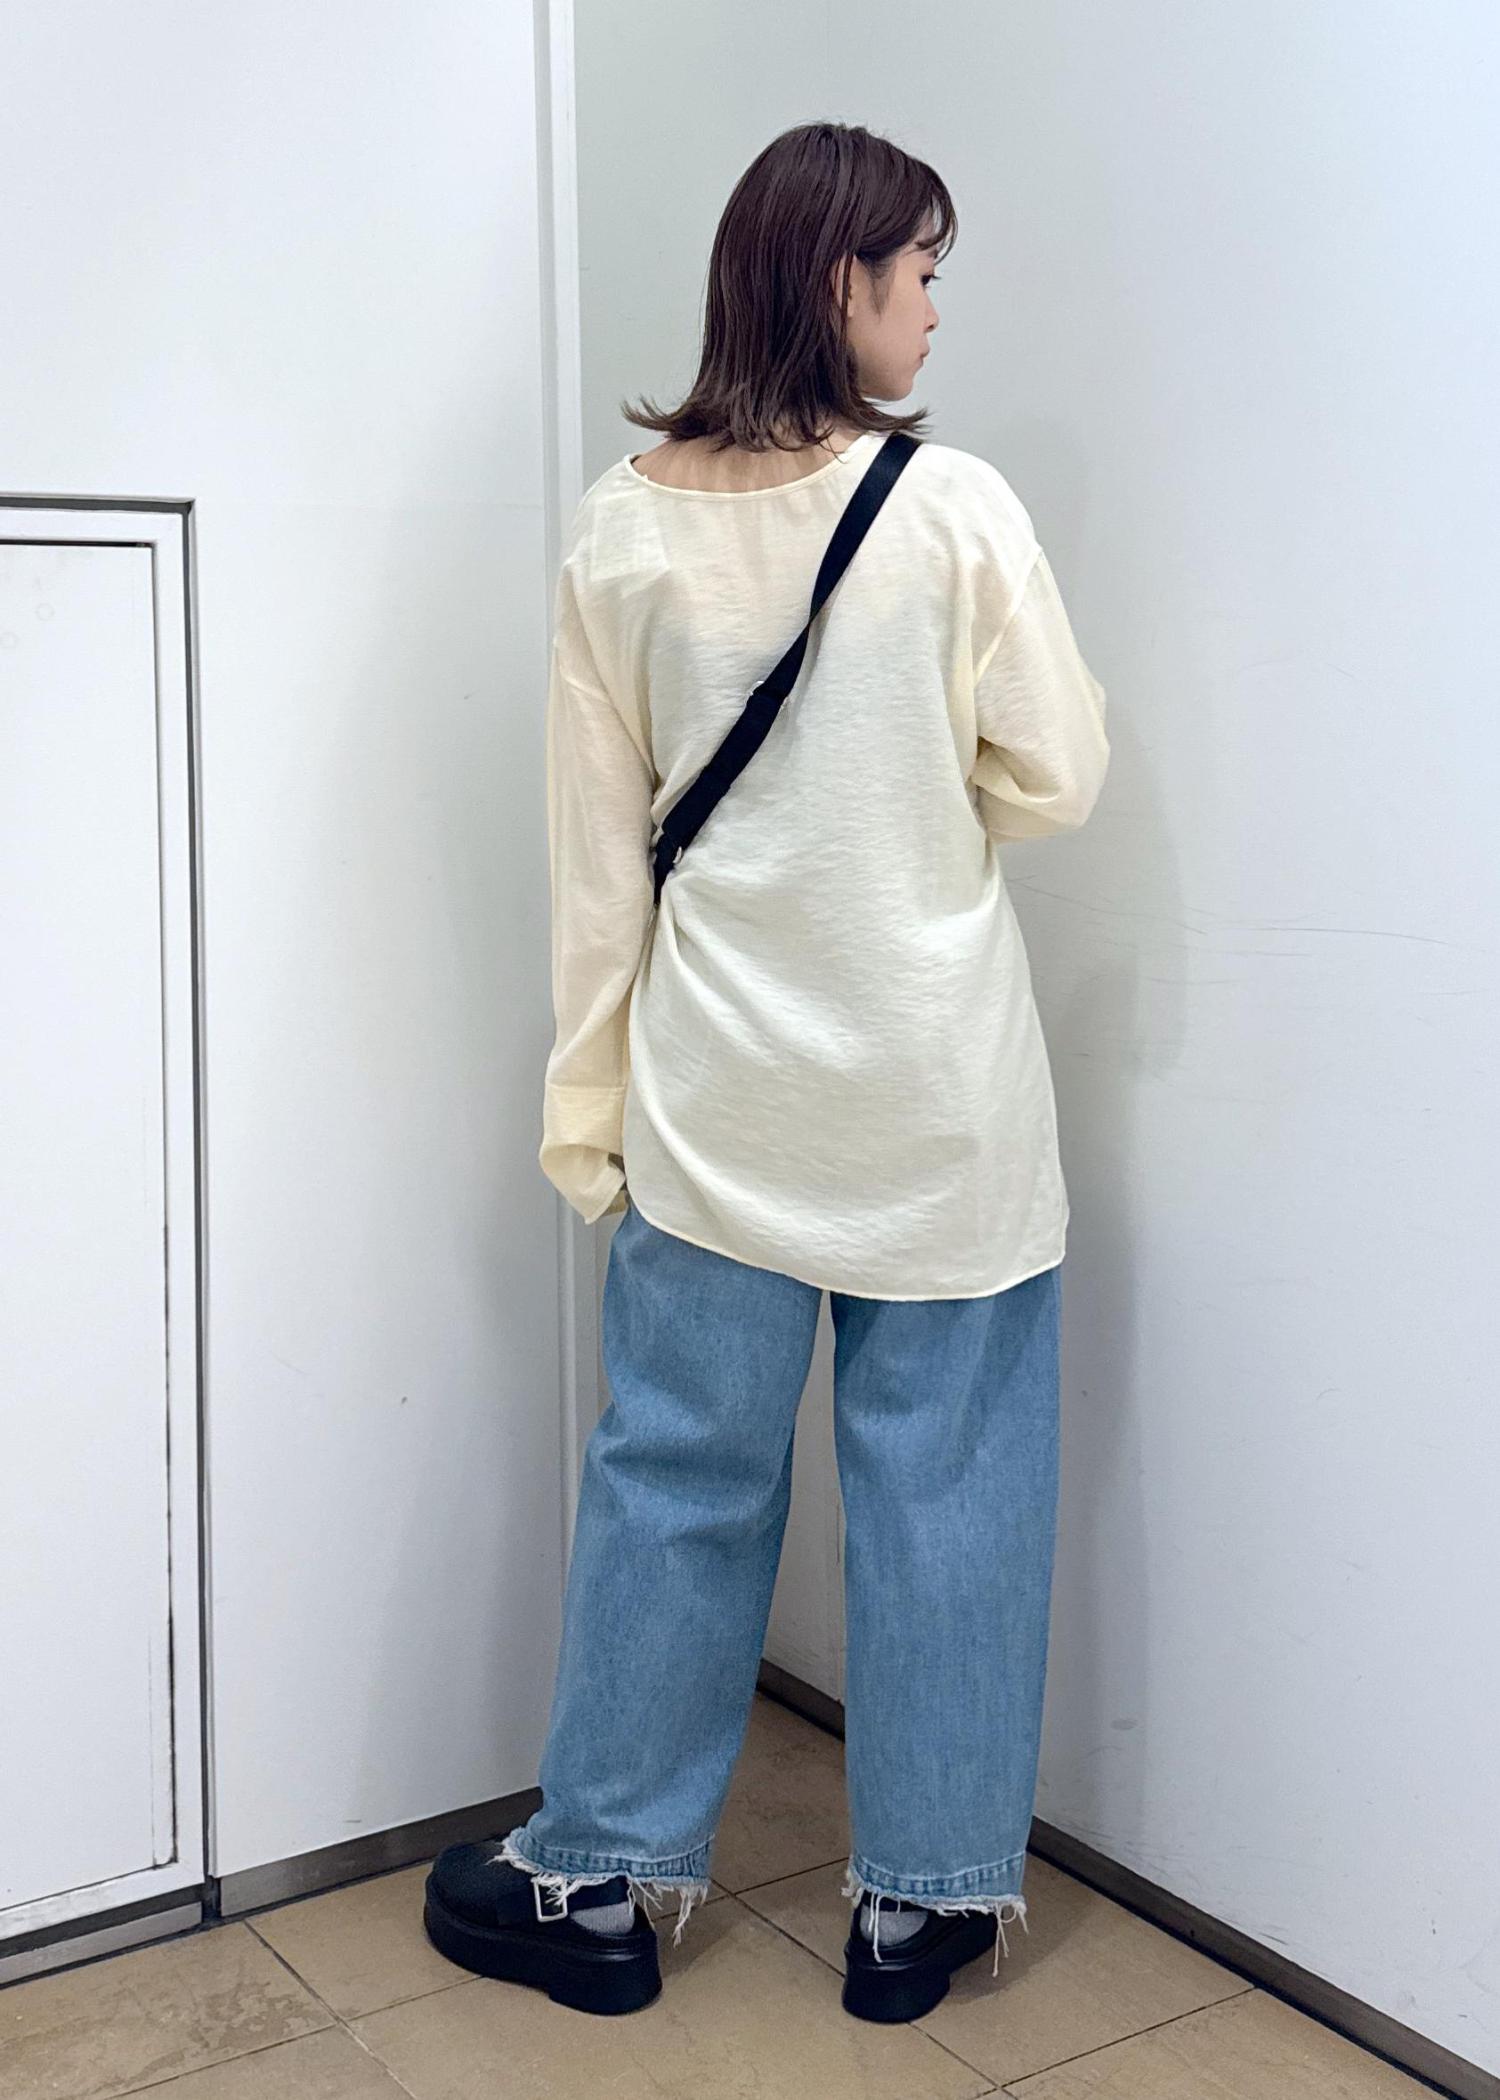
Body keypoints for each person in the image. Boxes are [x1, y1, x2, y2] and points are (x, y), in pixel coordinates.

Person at [423, 119, 1109, 2022]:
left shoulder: (620, 530)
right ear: (838, 282)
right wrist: (917, 805)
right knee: (948, 1493)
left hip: (720, 1107)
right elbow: (1058, 774)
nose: (935, 312)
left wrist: (585, 1123)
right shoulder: (952, 510)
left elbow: (596, 874)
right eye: (921, 275)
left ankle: (598, 1887)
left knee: (677, 1484)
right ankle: (925, 1913)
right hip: (941, 1108)